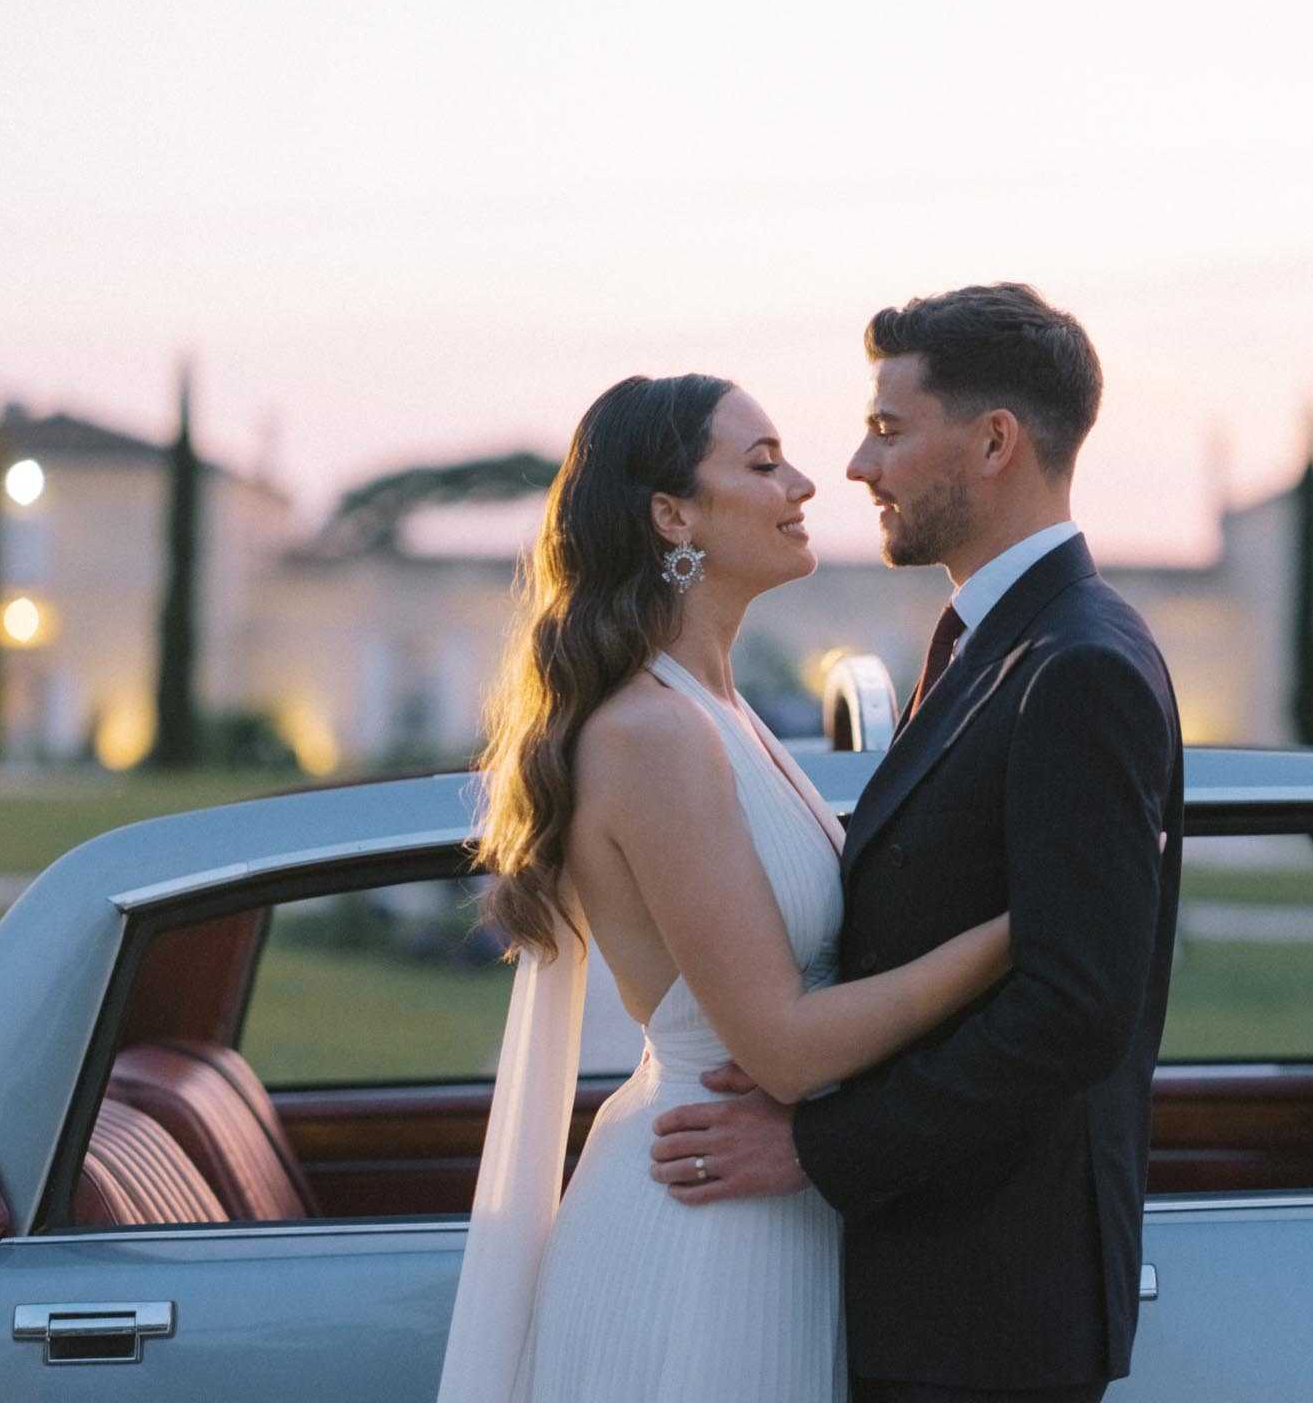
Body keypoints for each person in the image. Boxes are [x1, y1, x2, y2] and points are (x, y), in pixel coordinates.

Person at [650, 284, 1184, 1403]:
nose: (853, 465)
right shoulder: (992, 646)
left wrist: (817, 1150)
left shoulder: (1077, 665)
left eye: (888, 430)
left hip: (990, 1305)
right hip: (928, 1278)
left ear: (993, 443)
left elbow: (1072, 1007)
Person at [436, 372, 1013, 1403]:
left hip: (759, 1195)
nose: (803, 483)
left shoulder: (721, 713)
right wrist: (1019, 934)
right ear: (671, 516)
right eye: (761, 464)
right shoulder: (653, 733)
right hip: (703, 1218)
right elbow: (783, 1047)